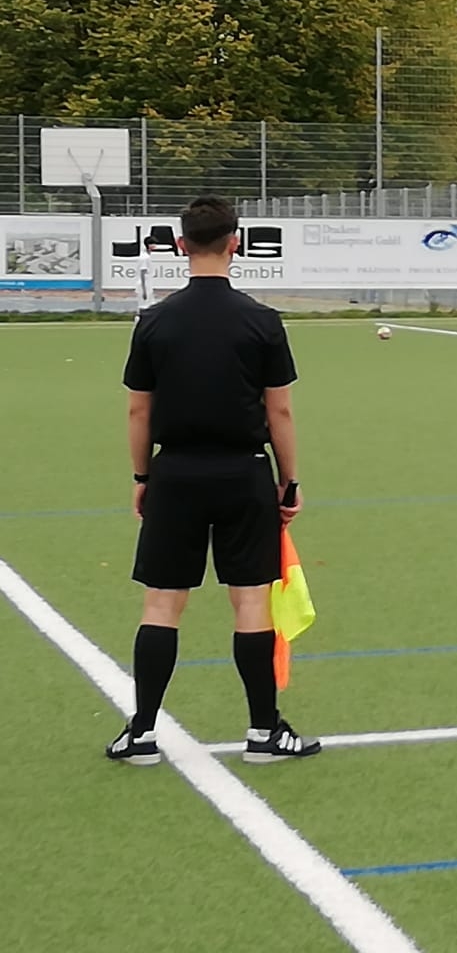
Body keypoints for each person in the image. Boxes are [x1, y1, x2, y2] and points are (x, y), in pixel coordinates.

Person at [107, 196, 319, 767]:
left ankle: (142, 733)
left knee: (161, 603)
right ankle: (263, 733)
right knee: (250, 601)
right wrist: (290, 481)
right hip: (243, 473)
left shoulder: (154, 321)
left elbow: (138, 411)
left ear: (181, 246)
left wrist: (143, 475)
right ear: (236, 243)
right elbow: (279, 412)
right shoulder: (262, 320)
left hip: (174, 473)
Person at [134, 235, 160, 320]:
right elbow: (142, 274)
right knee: (143, 306)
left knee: (150, 306)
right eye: (152, 244)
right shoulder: (144, 258)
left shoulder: (147, 256)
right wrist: (144, 290)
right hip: (144, 286)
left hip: (147, 285)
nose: (154, 246)